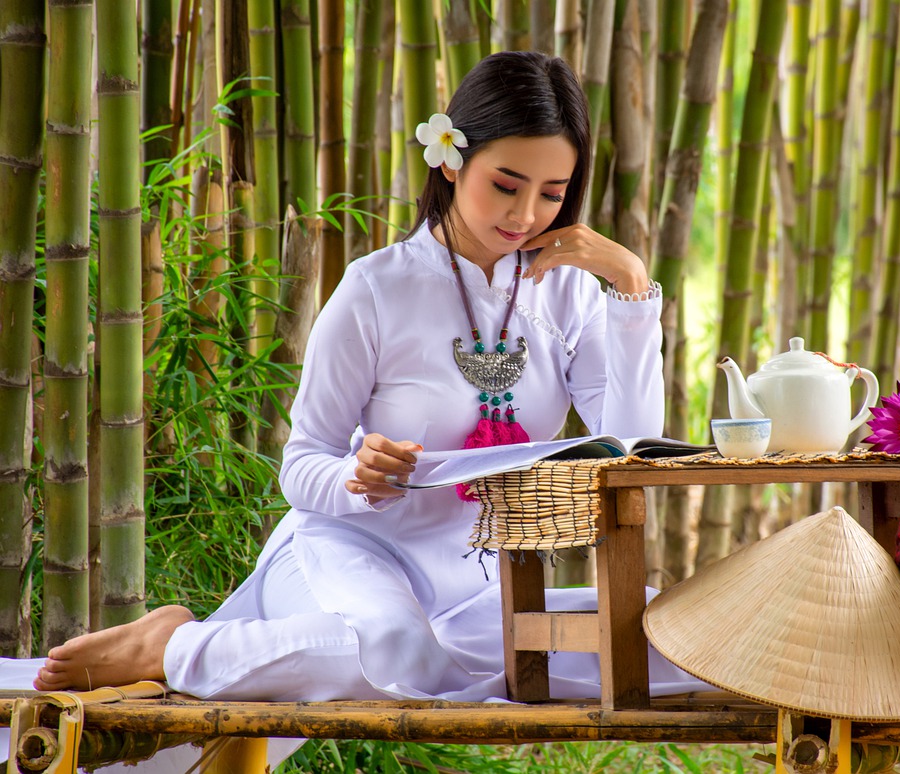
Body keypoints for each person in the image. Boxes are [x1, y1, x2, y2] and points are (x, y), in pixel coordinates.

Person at [32, 50, 703, 702]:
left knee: (670, 638)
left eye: (552, 193)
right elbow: (301, 464)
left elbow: (631, 448)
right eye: (506, 184)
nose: (526, 215)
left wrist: (633, 289)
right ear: (452, 156)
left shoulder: (573, 297)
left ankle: (395, 657)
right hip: (349, 553)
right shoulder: (376, 289)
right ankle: (172, 647)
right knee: (396, 649)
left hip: (476, 584)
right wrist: (358, 478)